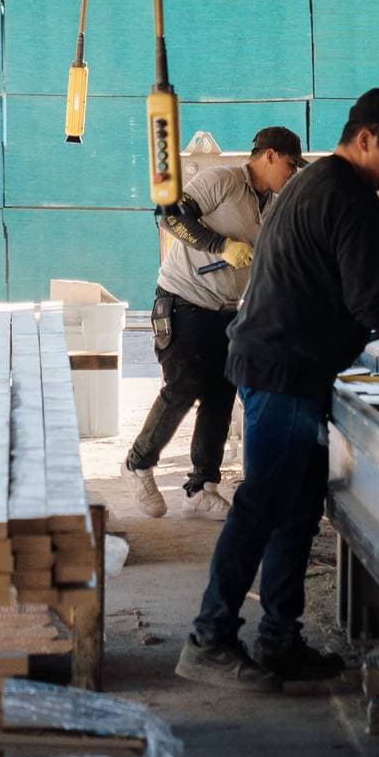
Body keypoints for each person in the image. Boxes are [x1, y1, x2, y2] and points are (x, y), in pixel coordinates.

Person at [177, 87, 379, 691]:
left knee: (297, 509)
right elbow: (378, 311)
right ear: (365, 138)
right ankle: (208, 639)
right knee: (263, 504)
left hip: (290, 366)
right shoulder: (349, 199)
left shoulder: (313, 183)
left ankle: (279, 640)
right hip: (283, 371)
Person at [125, 125, 305, 521]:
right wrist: (220, 245)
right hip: (183, 301)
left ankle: (200, 485)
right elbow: (168, 216)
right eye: (290, 165)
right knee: (183, 387)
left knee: (221, 396)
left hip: (227, 309)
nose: (292, 173)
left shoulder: (270, 202)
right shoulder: (221, 181)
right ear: (270, 155)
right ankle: (139, 464)